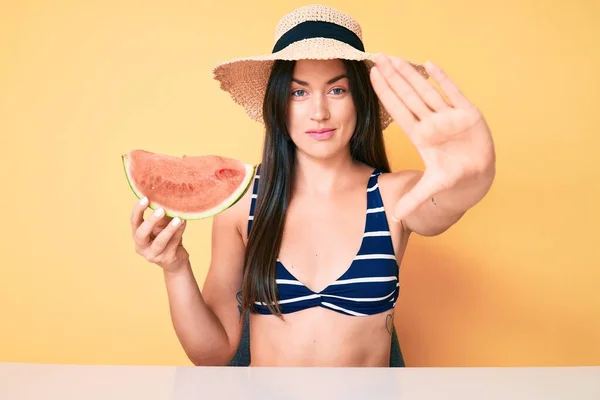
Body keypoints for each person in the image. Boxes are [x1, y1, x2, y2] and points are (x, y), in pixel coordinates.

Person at [129, 4, 495, 367]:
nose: (319, 112)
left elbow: (445, 205)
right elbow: (212, 354)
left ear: (360, 100)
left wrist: (475, 174)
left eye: (337, 91)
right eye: (298, 92)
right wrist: (175, 267)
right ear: (278, 103)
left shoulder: (394, 194)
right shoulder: (242, 205)